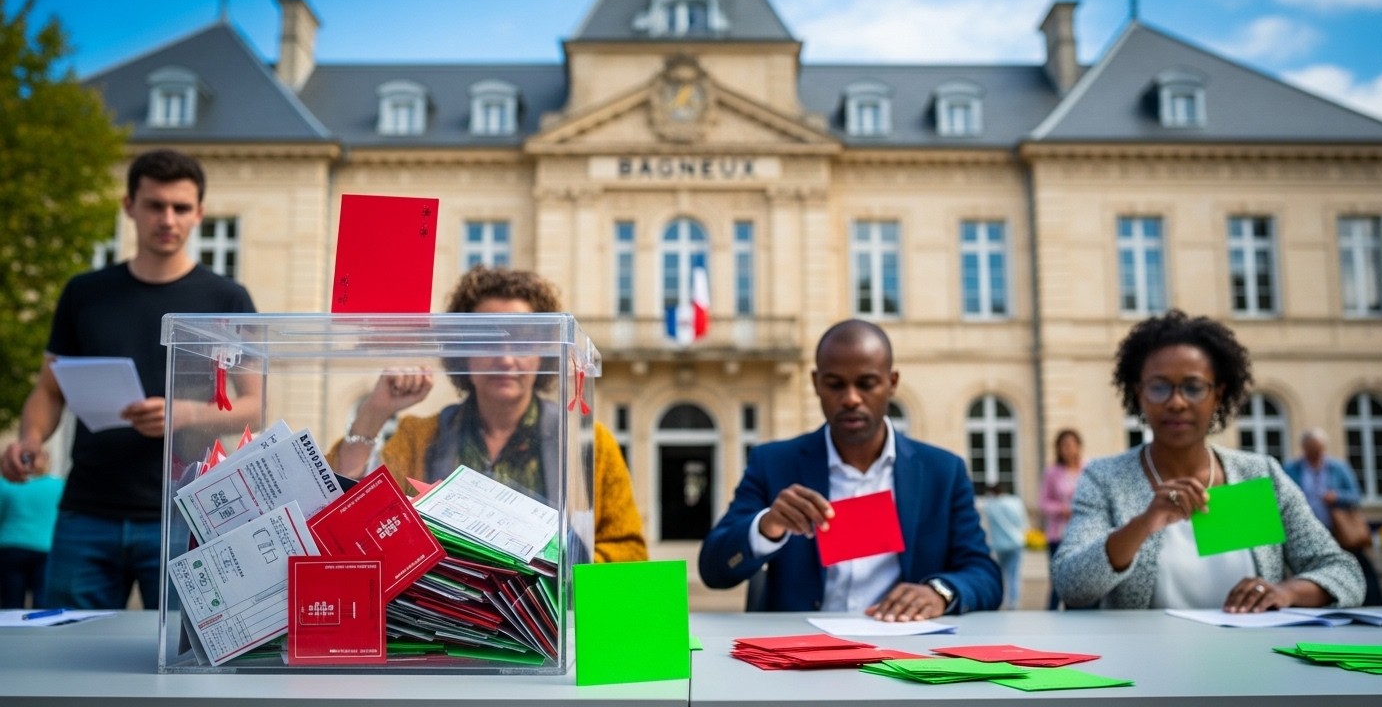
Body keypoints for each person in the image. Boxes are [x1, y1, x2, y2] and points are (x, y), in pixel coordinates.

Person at [0, 149, 260, 610]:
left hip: (186, 511)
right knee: (70, 648)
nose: (168, 219)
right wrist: (31, 439)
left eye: (180, 207)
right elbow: (49, 389)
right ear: (129, 206)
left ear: (199, 213)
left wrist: (184, 413)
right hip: (88, 510)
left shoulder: (227, 298)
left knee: (183, 650)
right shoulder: (85, 293)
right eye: (155, 205)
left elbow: (255, 405)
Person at [326, 265, 647, 564]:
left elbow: (630, 552)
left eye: (522, 342)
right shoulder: (418, 437)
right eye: (489, 340)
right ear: (462, 351)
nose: (506, 359)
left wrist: (556, 573)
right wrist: (373, 412)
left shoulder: (589, 443)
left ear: (544, 353)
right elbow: (345, 522)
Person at [1051, 310, 1364, 611]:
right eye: (1159, 387)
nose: (1176, 402)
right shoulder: (1105, 479)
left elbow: (1344, 573)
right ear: (1138, 394)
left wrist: (1286, 591)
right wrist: (1143, 524)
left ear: (1218, 394)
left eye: (1193, 387)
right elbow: (1071, 585)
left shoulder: (1257, 475)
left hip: (1252, 646)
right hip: (1146, 649)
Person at [698, 319, 1001, 619]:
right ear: (816, 383)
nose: (851, 398)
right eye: (835, 384)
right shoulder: (774, 463)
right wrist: (767, 526)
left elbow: (984, 574)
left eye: (866, 384)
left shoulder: (942, 472)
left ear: (892, 383)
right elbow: (713, 569)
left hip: (903, 640)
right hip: (801, 643)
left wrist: (941, 592)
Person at [1285, 427, 1382, 606]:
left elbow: (1356, 495)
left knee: (1357, 569)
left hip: (1338, 532)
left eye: (1317, 450)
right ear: (1304, 448)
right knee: (1311, 573)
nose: (1314, 455)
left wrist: (1337, 497)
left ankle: (1371, 605)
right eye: (1310, 450)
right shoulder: (1293, 468)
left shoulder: (1337, 468)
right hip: (1307, 532)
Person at [0, 462, 64, 608]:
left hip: (11, 547)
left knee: (11, 602)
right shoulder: (59, 485)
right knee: (42, 602)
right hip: (46, 546)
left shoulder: (5, 484)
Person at [1039, 428, 1083, 609]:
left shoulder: (1088, 469)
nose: (1068, 449)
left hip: (1083, 534)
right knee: (1058, 580)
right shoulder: (1052, 472)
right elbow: (1043, 502)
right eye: (1064, 445)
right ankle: (1052, 615)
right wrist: (1061, 509)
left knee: (1080, 581)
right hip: (1059, 534)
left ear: (1078, 446)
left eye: (1071, 445)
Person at [979, 481, 1029, 610]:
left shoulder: (990, 505)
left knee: (1001, 574)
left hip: (1000, 544)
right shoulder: (1015, 502)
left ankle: (1001, 600)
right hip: (1015, 542)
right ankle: (1013, 602)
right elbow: (1023, 522)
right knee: (1013, 574)